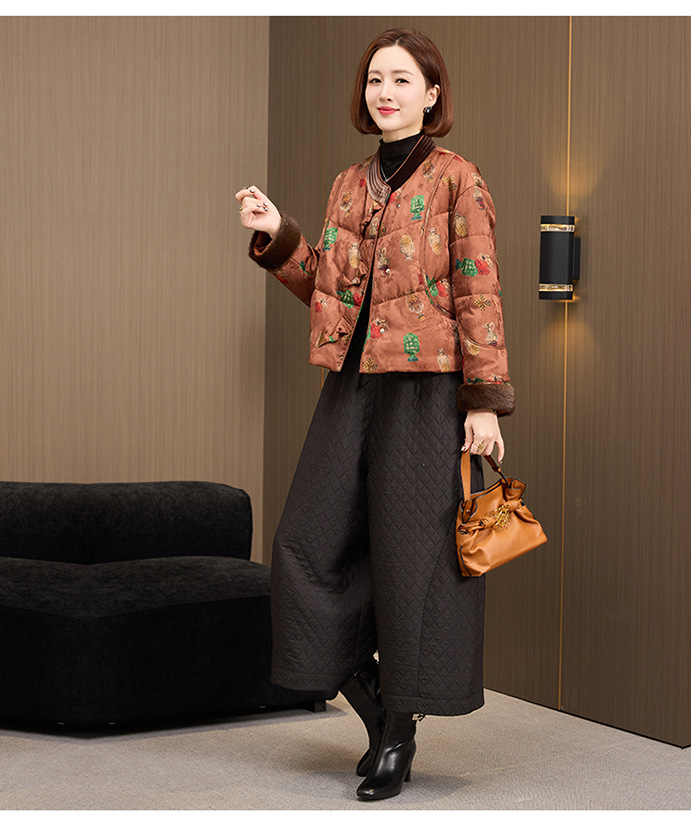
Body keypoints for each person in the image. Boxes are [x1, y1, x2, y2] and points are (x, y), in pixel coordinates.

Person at [235, 28, 514, 801]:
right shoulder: (348, 183)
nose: (383, 92)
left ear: (432, 94)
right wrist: (278, 236)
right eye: (374, 80)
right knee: (304, 546)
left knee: (413, 561)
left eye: (401, 79)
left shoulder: (458, 179)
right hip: (352, 386)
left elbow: (479, 289)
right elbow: (328, 286)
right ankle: (382, 706)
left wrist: (485, 401)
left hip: (428, 390)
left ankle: (397, 733)